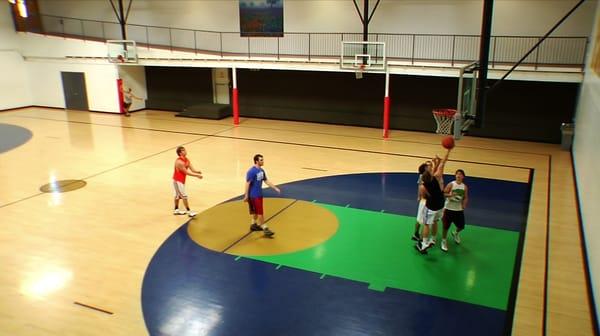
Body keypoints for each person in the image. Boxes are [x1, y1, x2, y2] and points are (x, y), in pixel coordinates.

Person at [415, 149, 451, 254]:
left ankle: (425, 242)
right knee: (435, 221)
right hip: (441, 204)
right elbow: (442, 164)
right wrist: (448, 151)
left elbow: (424, 196)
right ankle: (433, 239)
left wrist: (435, 164)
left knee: (426, 224)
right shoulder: (437, 177)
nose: (430, 168)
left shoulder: (423, 185)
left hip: (432, 206)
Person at [244, 154, 281, 237]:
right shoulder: (251, 172)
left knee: (256, 212)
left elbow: (266, 180)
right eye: (261, 160)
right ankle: (265, 228)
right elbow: (247, 183)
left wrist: (275, 188)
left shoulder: (261, 171)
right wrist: (246, 195)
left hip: (259, 194)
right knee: (260, 212)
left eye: (262, 160)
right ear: (256, 161)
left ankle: (253, 225)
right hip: (254, 195)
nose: (263, 161)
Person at [440, 169, 468, 252]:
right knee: (445, 227)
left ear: (463, 177)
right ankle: (444, 241)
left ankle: (455, 233)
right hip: (448, 208)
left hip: (458, 209)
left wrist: (464, 204)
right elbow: (443, 193)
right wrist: (450, 194)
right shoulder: (451, 184)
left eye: (460, 174)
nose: (458, 176)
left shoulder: (464, 187)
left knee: (461, 226)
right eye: (457, 174)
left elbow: (466, 197)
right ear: (455, 176)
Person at [172, 146, 203, 217]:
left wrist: (197, 172)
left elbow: (192, 170)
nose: (185, 151)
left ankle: (176, 210)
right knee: (184, 196)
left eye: (185, 150)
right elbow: (187, 172)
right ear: (180, 153)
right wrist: (197, 176)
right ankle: (189, 211)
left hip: (181, 181)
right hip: (177, 181)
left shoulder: (187, 160)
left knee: (177, 195)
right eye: (183, 150)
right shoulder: (179, 162)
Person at [412, 160, 432, 241]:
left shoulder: (431, 175)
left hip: (428, 201)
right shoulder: (423, 176)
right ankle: (419, 236)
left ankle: (417, 234)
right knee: (422, 220)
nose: (429, 167)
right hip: (425, 200)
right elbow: (420, 187)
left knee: (423, 220)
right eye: (428, 166)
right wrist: (419, 196)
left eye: (430, 165)